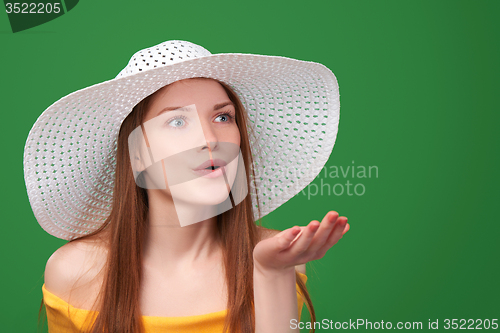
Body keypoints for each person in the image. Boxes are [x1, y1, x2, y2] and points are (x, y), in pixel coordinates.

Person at [24, 40, 349, 333]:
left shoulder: (277, 256)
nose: (210, 140)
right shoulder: (74, 271)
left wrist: (272, 273)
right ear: (138, 154)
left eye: (223, 118)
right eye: (177, 121)